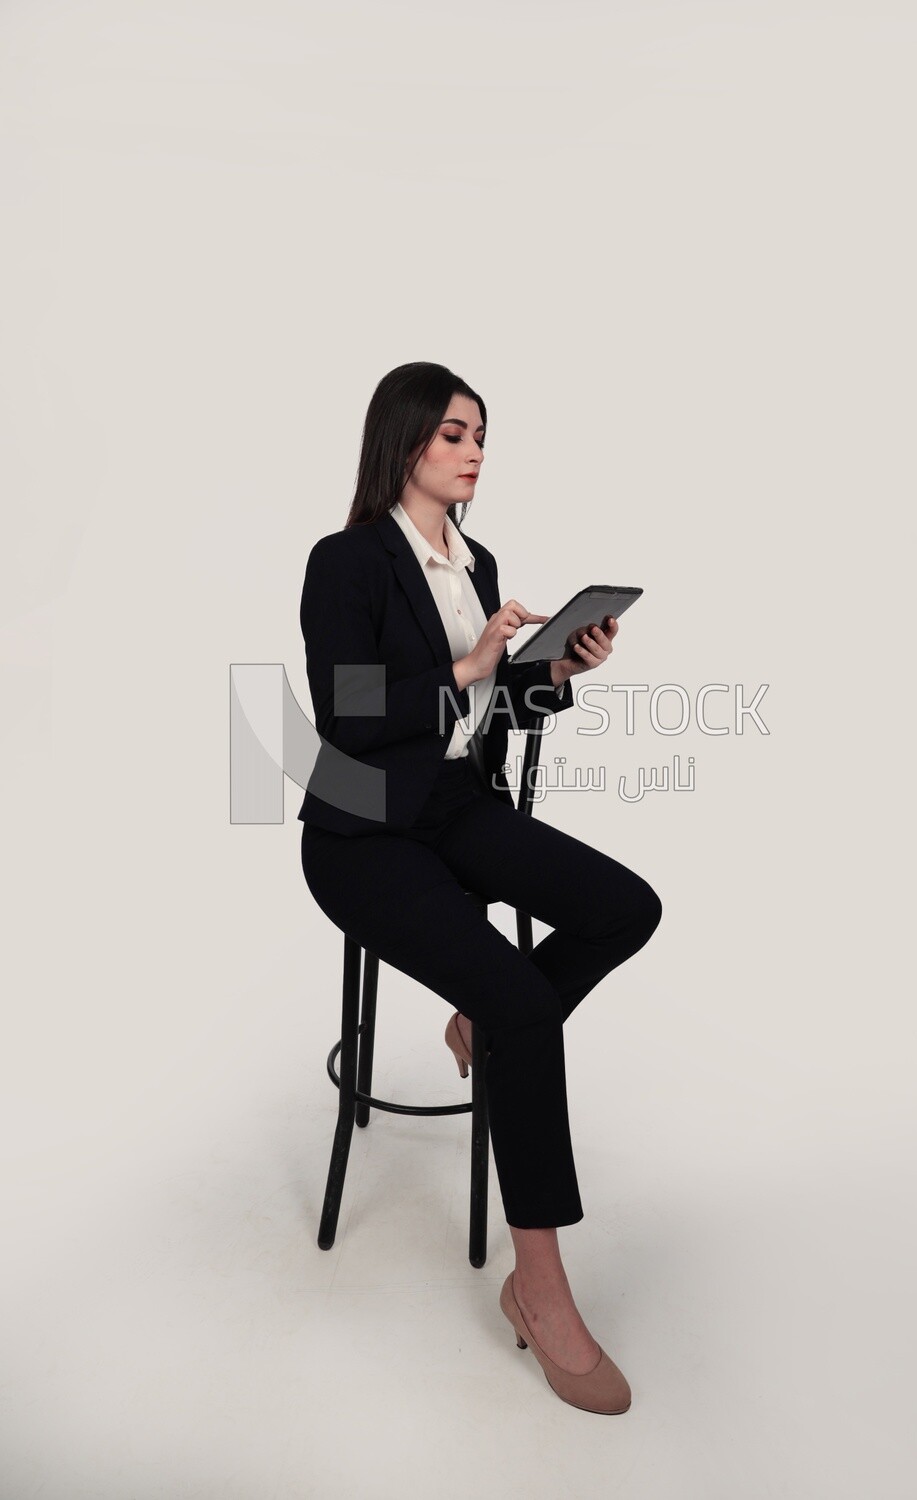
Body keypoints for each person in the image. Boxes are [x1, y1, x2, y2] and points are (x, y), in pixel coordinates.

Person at [298, 362, 662, 1414]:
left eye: (481, 435)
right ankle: (539, 1291)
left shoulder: (478, 560)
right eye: (456, 432)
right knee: (526, 1003)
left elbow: (490, 721)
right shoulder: (348, 561)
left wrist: (549, 675)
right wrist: (466, 670)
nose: (474, 451)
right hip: (362, 836)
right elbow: (344, 711)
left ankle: (479, 1020)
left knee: (624, 907)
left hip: (457, 810)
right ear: (405, 439)